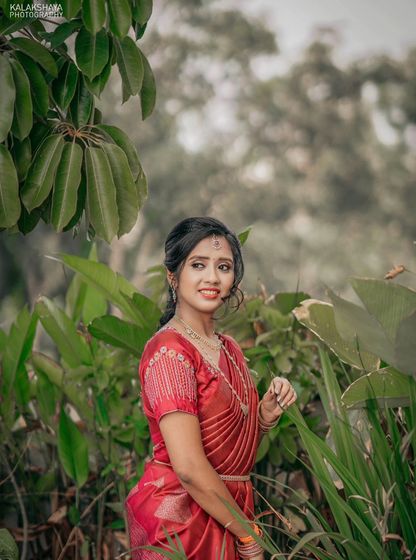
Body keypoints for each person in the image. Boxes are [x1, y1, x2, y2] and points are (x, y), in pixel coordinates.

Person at [125, 217, 297, 560]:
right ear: (173, 275)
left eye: (224, 266)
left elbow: (229, 458)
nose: (212, 277)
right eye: (198, 265)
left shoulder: (229, 348)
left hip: (229, 511)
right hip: (181, 521)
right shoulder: (170, 353)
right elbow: (188, 467)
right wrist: (248, 535)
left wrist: (263, 417)